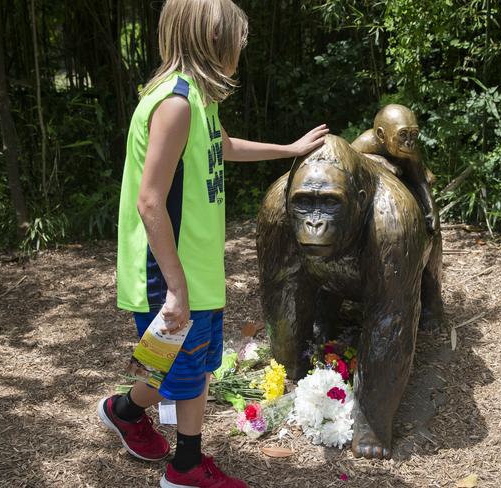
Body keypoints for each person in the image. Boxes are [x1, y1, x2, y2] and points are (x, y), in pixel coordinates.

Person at [97, 1, 328, 487]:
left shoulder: (199, 99)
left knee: (186, 364)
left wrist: (288, 150)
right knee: (185, 372)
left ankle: (123, 411)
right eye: (237, 43)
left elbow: (219, 146)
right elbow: (150, 203)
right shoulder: (175, 104)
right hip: (169, 269)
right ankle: (185, 468)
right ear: (214, 42)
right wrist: (177, 288)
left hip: (195, 265)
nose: (240, 52)